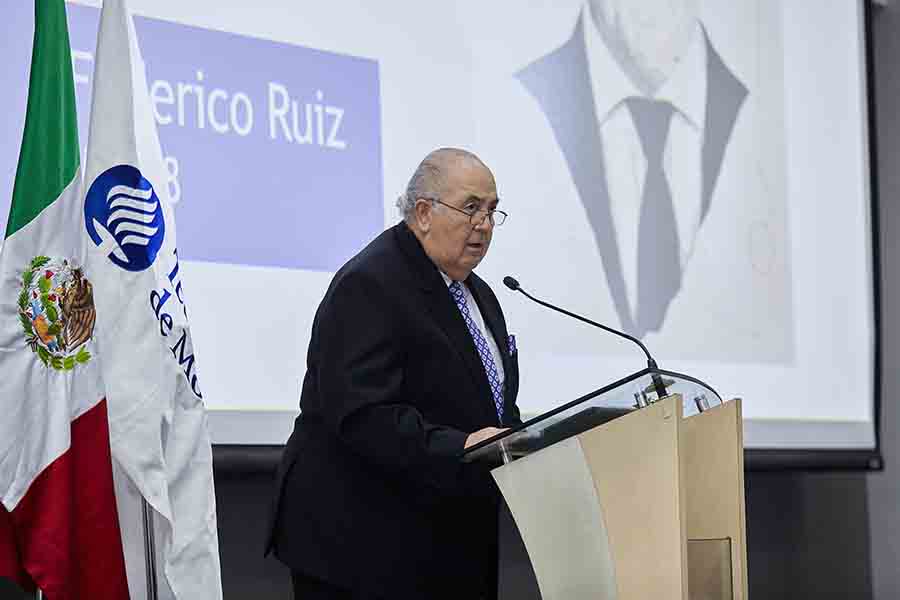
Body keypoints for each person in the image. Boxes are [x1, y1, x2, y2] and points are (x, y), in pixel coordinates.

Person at [266, 148, 521, 599]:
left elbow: (488, 401)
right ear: (423, 213)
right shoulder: (370, 283)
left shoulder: (479, 295)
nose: (483, 224)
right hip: (361, 550)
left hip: (441, 544)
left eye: (491, 210)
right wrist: (460, 447)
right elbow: (363, 415)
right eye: (470, 208)